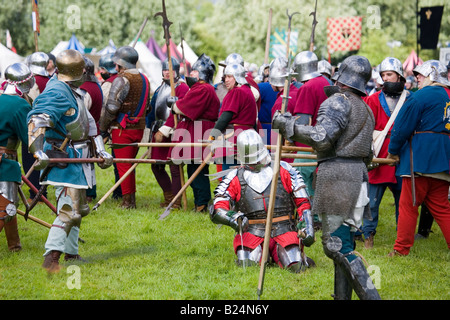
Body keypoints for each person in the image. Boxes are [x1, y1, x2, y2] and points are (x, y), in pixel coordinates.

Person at [273, 55, 381, 300]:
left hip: (338, 178)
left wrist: (287, 126)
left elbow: (322, 136)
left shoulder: (338, 101)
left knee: (336, 246)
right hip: (357, 177)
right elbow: (368, 154)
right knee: (344, 244)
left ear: (341, 75)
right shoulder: (365, 107)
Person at [27, 49, 113, 273]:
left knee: (78, 209)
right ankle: (51, 259)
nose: (86, 71)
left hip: (77, 156)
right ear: (78, 71)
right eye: (83, 69)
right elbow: (38, 119)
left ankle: (71, 254)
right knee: (68, 210)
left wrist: (101, 151)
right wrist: (38, 151)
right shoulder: (57, 91)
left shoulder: (70, 89)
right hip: (64, 157)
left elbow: (89, 123)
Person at [210, 129, 315, 271]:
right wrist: (233, 218)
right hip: (252, 232)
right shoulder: (234, 176)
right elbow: (217, 208)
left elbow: (303, 202)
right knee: (248, 266)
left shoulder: (284, 169)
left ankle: (289, 254)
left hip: (284, 229)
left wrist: (306, 226)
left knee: (295, 266)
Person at [387, 60, 450, 257]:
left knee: (408, 205)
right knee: (441, 208)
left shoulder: (422, 95)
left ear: (432, 75)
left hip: (420, 158)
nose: (417, 78)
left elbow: (402, 127)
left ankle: (401, 249)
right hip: (444, 158)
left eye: (421, 75)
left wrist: (393, 149)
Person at [360, 57, 410, 249]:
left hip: (401, 155)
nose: (385, 78)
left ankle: (402, 237)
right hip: (379, 154)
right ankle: (368, 235)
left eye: (389, 74)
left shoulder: (410, 99)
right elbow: (365, 127)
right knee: (372, 201)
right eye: (383, 75)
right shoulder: (372, 100)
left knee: (403, 201)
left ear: (399, 76)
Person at [164, 53, 220, 212]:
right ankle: (199, 203)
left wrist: (176, 105)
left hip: (199, 131)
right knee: (194, 168)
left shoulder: (203, 88)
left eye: (194, 71)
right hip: (196, 130)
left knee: (197, 170)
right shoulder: (201, 88)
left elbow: (187, 108)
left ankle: (202, 203)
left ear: (201, 73)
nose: (191, 74)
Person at [99, 46, 151, 209]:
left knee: (123, 165)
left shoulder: (121, 79)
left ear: (121, 64)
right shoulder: (145, 78)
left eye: (117, 64)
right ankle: (131, 199)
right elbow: (147, 105)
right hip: (139, 128)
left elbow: (112, 108)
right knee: (129, 165)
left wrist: (103, 128)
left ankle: (128, 202)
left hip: (123, 129)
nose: (115, 67)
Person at [291, 51, 330, 228]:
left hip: (309, 145)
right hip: (326, 142)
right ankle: (319, 218)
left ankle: (309, 218)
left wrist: (291, 134)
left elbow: (304, 121)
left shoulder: (308, 87)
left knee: (301, 181)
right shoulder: (325, 82)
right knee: (317, 183)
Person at [0, 62, 35, 252]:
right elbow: (28, 137)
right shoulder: (19, 104)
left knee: (6, 206)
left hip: (5, 161)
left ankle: (14, 246)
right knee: (7, 207)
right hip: (5, 163)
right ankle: (14, 246)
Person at [148, 57, 189, 209]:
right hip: (158, 129)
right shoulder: (160, 88)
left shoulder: (181, 87)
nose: (167, 72)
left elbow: (179, 112)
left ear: (176, 71)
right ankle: (169, 196)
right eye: (165, 69)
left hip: (173, 131)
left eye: (170, 70)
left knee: (174, 166)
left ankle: (176, 201)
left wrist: (166, 129)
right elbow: (154, 111)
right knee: (156, 165)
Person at [211, 63, 258, 171]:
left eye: (229, 77)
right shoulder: (247, 90)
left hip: (234, 137)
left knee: (229, 176)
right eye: (225, 77)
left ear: (237, 77)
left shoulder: (237, 91)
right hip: (246, 137)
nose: (226, 80)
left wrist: (213, 135)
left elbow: (226, 116)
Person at [80, 56, 104, 202]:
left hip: (85, 132)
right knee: (88, 163)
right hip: (93, 132)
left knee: (84, 164)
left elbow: (80, 114)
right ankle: (90, 193)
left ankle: (87, 194)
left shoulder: (85, 90)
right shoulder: (96, 86)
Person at [98, 52, 121, 200]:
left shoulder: (108, 84)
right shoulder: (123, 80)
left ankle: (119, 193)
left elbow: (105, 108)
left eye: (103, 70)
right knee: (121, 163)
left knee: (118, 162)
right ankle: (120, 192)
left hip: (114, 126)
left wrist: (103, 129)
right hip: (122, 125)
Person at [269, 56, 299, 163]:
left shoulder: (281, 102)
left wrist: (274, 155)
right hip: (297, 149)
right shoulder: (297, 92)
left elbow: (277, 133)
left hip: (286, 153)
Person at [257, 63, 277, 145]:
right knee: (275, 155)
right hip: (277, 129)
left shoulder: (261, 87)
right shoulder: (285, 87)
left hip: (263, 128)